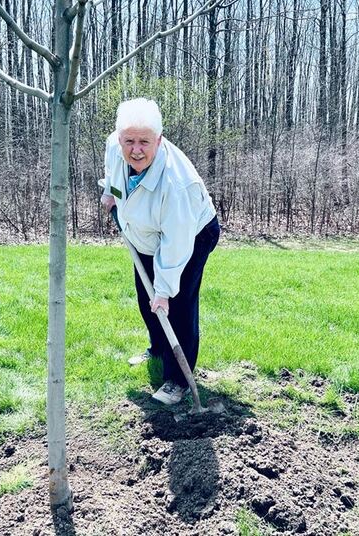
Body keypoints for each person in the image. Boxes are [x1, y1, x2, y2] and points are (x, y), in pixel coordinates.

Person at [101, 98, 220, 405]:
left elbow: (176, 244)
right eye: (129, 141)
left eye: (144, 142)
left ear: (159, 140)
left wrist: (165, 289)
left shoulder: (176, 185)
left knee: (175, 307)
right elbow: (114, 173)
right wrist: (111, 195)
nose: (135, 149)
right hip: (145, 234)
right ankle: (157, 348)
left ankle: (178, 381)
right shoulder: (116, 146)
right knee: (146, 299)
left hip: (191, 235)